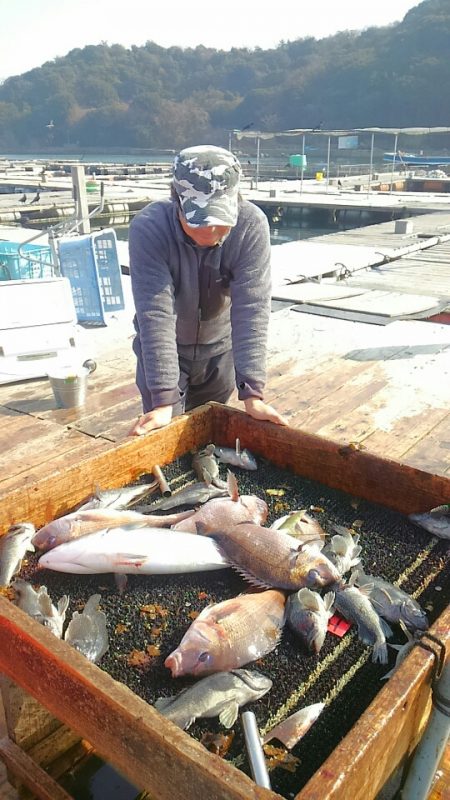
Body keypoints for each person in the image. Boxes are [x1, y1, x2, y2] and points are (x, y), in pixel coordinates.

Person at [128, 144, 287, 436]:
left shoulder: (251, 225)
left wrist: (252, 393)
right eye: (197, 221)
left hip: (220, 352)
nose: (210, 233)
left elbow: (252, 309)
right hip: (167, 349)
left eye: (220, 221)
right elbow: (155, 314)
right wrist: (163, 400)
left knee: (205, 435)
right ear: (177, 201)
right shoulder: (149, 228)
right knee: (166, 433)